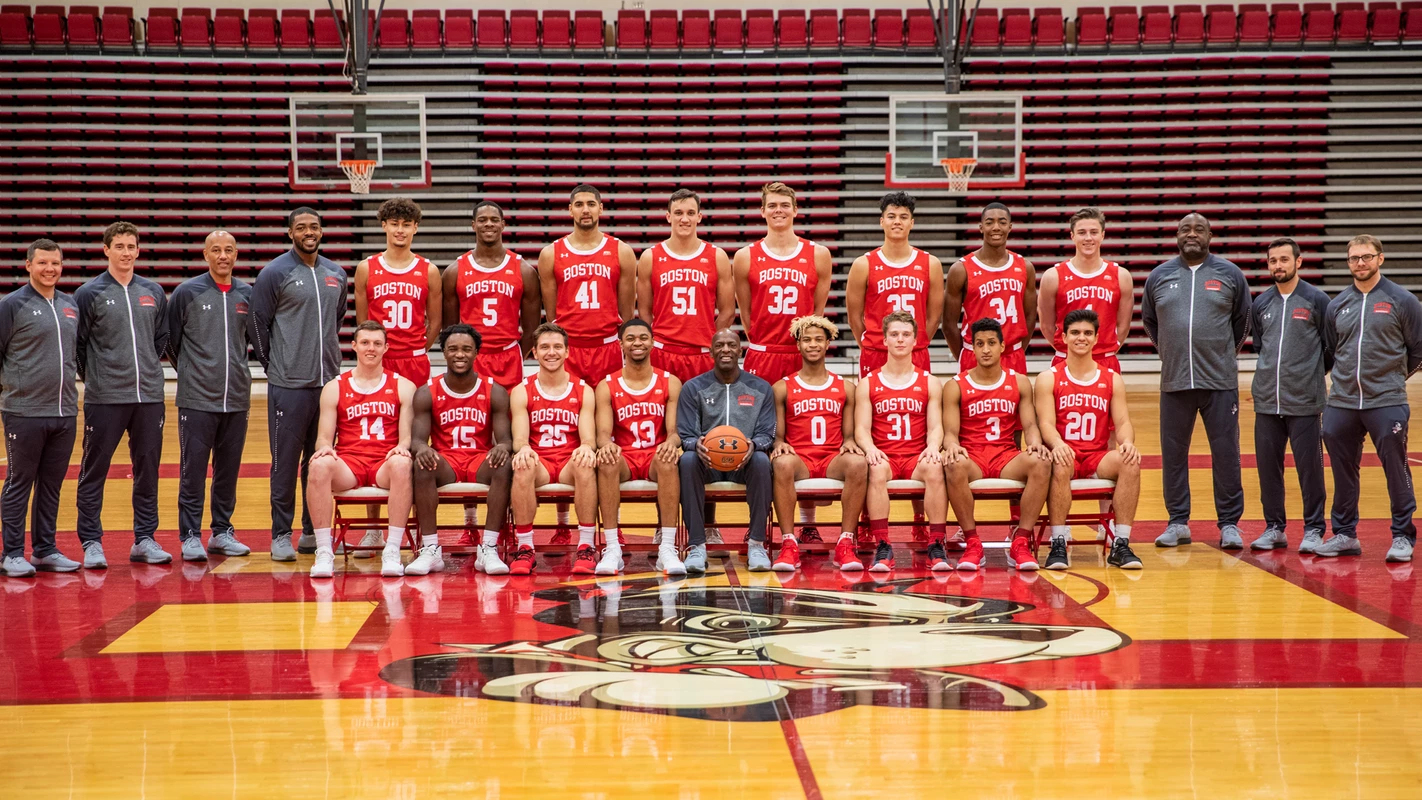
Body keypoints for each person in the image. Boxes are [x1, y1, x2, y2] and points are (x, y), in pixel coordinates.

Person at [1141, 213, 1252, 549]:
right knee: (1173, 455)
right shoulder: (1159, 276)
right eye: (1185, 229)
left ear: (1210, 235)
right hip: (1174, 382)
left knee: (1227, 453)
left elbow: (1243, 322)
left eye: (1198, 229)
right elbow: (1149, 322)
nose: (1192, 234)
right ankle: (1178, 522)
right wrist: (1171, 353)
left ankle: (1230, 523)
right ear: (1177, 235)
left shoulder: (1230, 274)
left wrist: (1220, 355)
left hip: (1219, 382)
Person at [249, 206, 348, 561]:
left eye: (315, 226)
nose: (309, 231)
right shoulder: (275, 273)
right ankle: (280, 534)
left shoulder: (336, 273)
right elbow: (257, 325)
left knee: (319, 461)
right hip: (288, 385)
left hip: (327, 385)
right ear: (290, 232)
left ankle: (311, 532)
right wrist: (274, 365)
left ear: (322, 231)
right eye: (301, 227)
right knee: (285, 463)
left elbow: (334, 321)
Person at [1316, 235, 1422, 562]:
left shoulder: (1402, 301)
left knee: (1395, 467)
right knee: (1343, 470)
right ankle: (1345, 534)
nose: (1359, 263)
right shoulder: (1337, 305)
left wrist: (1390, 380)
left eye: (1366, 257)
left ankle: (1403, 535)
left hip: (1386, 401)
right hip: (1343, 403)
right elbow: (1332, 350)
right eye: (1353, 258)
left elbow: (1418, 350)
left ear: (1380, 259)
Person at [74, 221, 171, 567]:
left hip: (148, 397)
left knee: (148, 468)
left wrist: (146, 369)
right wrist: (97, 378)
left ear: (138, 250)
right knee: (94, 469)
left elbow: (161, 339)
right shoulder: (89, 293)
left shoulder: (153, 291)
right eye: (119, 246)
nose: (126, 253)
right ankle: (91, 541)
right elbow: (79, 345)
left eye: (131, 246)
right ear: (106, 250)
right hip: (104, 398)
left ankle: (145, 538)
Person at [354, 197, 442, 554]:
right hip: (380, 362)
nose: (400, 230)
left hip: (415, 362)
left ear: (416, 228)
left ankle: (421, 531)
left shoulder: (429, 270)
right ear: (384, 227)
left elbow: (435, 322)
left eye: (407, 224)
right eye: (394, 223)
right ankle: (374, 528)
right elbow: (365, 322)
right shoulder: (366, 268)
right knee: (376, 441)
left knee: (418, 442)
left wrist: (417, 348)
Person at [166, 230, 254, 562]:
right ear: (205, 255)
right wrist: (192, 371)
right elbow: (170, 341)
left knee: (228, 470)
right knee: (193, 470)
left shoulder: (247, 294)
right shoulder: (186, 293)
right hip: (196, 399)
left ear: (235, 254)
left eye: (228, 250)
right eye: (215, 250)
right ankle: (189, 535)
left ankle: (222, 532)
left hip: (237, 398)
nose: (222, 256)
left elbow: (255, 340)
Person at [306, 321, 417, 579]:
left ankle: (392, 549)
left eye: (377, 344)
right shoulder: (335, 387)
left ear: (386, 348)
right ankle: (324, 552)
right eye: (365, 343)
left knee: (403, 463)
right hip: (350, 463)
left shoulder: (403, 386)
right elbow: (323, 438)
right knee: (318, 465)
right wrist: (324, 449)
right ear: (353, 346)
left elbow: (406, 438)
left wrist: (401, 448)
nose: (371, 348)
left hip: (384, 463)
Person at [1036, 310, 1143, 570]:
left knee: (1129, 462)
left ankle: (1121, 542)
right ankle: (1059, 540)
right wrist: (1059, 445)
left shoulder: (1111, 379)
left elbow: (1123, 422)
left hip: (1097, 455)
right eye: (1075, 333)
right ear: (1063, 337)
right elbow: (1046, 424)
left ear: (1096, 338)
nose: (1081, 338)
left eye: (1087, 333)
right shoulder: (1048, 377)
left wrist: (1127, 442)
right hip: (1066, 454)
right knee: (1060, 462)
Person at [943, 318, 1053, 572]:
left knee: (1041, 461)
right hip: (973, 457)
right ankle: (972, 543)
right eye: (979, 344)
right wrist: (951, 446)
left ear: (1003, 346)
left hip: (1005, 456)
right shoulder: (955, 385)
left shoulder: (1020, 382)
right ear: (971, 348)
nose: (985, 349)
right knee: (953, 464)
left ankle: (1021, 541)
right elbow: (950, 433)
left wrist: (1035, 443)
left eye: (991, 343)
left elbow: (1030, 427)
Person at [0, 240, 82, 577]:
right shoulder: (12, 306)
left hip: (64, 411)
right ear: (29, 265)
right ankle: (11, 553)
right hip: (24, 410)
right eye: (43, 263)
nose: (50, 269)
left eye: (56, 263)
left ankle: (45, 549)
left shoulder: (70, 305)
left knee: (51, 484)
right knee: (20, 481)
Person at [408, 323, 514, 576]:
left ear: (477, 352)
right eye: (453, 348)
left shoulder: (494, 391)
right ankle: (431, 549)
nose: (459, 354)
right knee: (422, 463)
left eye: (467, 349)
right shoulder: (426, 392)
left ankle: (488, 547)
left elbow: (506, 440)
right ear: (443, 352)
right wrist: (422, 448)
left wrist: (503, 447)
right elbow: (417, 440)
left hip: (479, 460)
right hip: (446, 461)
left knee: (505, 463)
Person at [1248, 238, 1331, 553]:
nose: (1278, 266)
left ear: (1299, 262)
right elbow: (1260, 347)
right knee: (1268, 469)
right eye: (1272, 261)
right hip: (1267, 402)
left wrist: (1308, 376)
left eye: (1284, 259)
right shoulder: (1261, 304)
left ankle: (1313, 529)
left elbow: (1331, 347)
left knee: (1310, 469)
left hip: (1305, 402)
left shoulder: (1316, 300)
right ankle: (1274, 528)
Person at [770, 315, 867, 572]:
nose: (812, 345)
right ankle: (789, 543)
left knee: (858, 463)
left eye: (818, 340)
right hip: (800, 458)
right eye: (807, 340)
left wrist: (849, 442)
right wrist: (779, 444)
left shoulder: (845, 387)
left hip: (831, 459)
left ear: (828, 344)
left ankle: (846, 543)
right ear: (798, 345)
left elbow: (848, 436)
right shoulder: (782, 387)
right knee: (780, 463)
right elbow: (779, 437)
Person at [676, 329, 776, 572]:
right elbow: (686, 434)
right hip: (707, 463)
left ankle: (756, 544)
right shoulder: (693, 388)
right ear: (710, 352)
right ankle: (697, 545)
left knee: (763, 461)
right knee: (687, 461)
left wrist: (755, 445)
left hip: (744, 463)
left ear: (740, 350)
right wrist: (695, 445)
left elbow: (766, 433)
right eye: (719, 345)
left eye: (731, 345)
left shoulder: (761, 388)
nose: (726, 350)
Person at [856, 311, 945, 573]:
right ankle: (884, 545)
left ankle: (936, 544)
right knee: (874, 469)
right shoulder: (868, 382)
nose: (900, 340)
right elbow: (861, 428)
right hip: (885, 455)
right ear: (884, 340)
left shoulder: (930, 381)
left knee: (935, 467)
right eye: (894, 335)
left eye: (906, 335)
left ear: (915, 340)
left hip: (916, 456)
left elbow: (936, 426)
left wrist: (932, 447)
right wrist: (871, 449)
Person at [595, 319, 684, 576]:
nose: (638, 343)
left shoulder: (670, 382)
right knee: (607, 459)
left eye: (643, 338)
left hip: (655, 455)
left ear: (653, 342)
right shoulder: (607, 385)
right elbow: (603, 434)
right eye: (631, 338)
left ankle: (667, 548)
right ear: (620, 344)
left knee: (669, 460)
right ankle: (612, 548)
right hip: (625, 455)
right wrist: (605, 446)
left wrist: (670, 443)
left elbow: (674, 432)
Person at [508, 323, 598, 576]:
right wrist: (524, 448)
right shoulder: (522, 390)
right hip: (541, 462)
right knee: (523, 464)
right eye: (544, 347)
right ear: (534, 353)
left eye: (557, 347)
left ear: (568, 352)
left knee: (585, 461)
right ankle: (525, 547)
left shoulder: (583, 390)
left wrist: (587, 448)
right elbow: (520, 438)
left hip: (569, 462)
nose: (551, 352)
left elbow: (588, 438)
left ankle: (586, 546)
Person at [733, 182, 833, 384]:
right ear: (762, 211)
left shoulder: (819, 254)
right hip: (763, 353)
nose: (778, 210)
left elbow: (817, 312)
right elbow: (746, 313)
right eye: (772, 206)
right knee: (758, 416)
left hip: (802, 354)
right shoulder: (745, 256)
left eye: (785, 205)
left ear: (795, 210)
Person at [538, 184, 637, 388]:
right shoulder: (550, 254)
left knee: (607, 415)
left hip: (607, 347)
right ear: (570, 209)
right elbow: (551, 315)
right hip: (569, 348)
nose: (585, 210)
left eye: (591, 204)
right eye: (579, 204)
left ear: (600, 209)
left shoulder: (621, 251)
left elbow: (626, 314)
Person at [637, 189, 735, 383]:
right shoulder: (651, 256)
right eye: (678, 213)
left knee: (703, 413)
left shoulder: (717, 256)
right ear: (668, 216)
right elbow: (644, 312)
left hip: (702, 353)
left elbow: (728, 312)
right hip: (663, 351)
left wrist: (707, 339)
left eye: (690, 213)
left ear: (699, 217)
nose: (684, 219)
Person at [443, 200, 540, 392]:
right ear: (473, 225)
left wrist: (516, 354)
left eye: (494, 220)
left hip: (508, 357)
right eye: (482, 220)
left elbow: (532, 329)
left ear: (503, 225)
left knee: (510, 417)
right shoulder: (455, 271)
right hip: (472, 357)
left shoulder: (524, 271)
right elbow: (449, 329)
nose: (489, 224)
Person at [845, 191, 944, 376]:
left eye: (903, 217)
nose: (897, 221)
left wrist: (915, 343)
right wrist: (873, 345)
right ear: (882, 221)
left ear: (912, 223)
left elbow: (934, 318)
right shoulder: (863, 264)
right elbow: (854, 318)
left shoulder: (931, 263)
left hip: (915, 353)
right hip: (875, 353)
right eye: (891, 216)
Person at [944, 203, 1036, 375]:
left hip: (1012, 355)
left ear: (1010, 227)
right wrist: (966, 355)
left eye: (1002, 222)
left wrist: (1016, 349)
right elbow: (948, 324)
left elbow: (1030, 316)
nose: (996, 227)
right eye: (989, 222)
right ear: (980, 227)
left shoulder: (1025, 267)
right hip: (974, 355)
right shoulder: (961, 269)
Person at [1037, 207, 1133, 373]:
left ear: (1102, 235)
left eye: (1094, 232)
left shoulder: (1121, 276)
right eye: (1082, 232)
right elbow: (1046, 326)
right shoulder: (1053, 276)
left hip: (1105, 359)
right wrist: (1072, 350)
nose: (1088, 238)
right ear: (1072, 236)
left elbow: (1123, 326)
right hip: (1065, 359)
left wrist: (1103, 349)